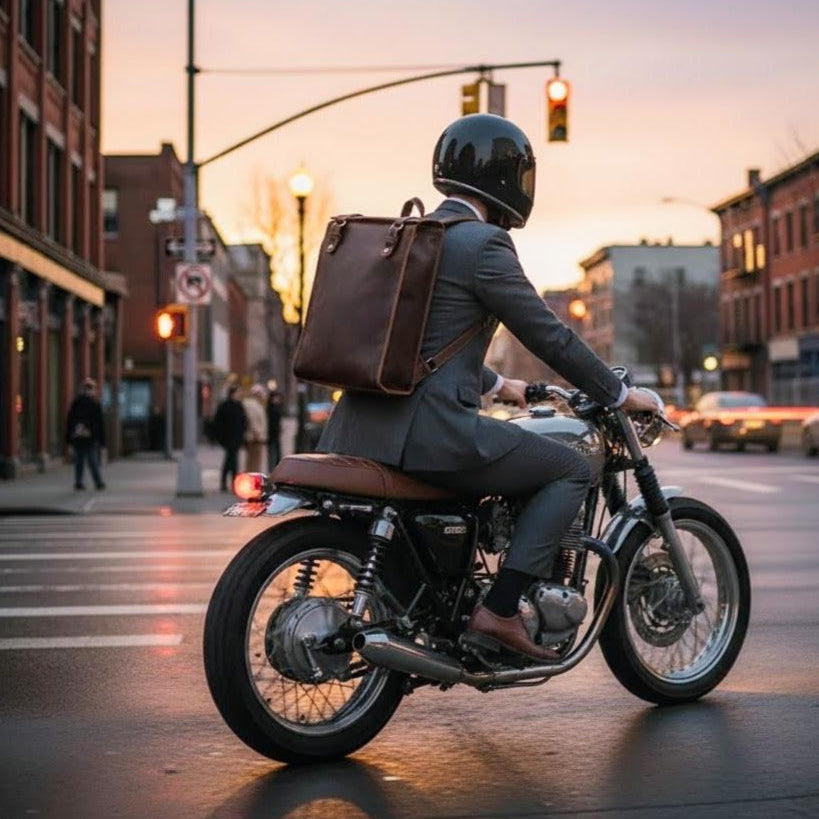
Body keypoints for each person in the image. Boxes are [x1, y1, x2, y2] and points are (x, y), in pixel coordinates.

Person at [318, 114, 659, 662]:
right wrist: (619, 395)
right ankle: (499, 611)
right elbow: (547, 333)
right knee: (571, 467)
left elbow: (408, 347)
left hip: (358, 428)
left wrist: (504, 385)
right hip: (431, 436)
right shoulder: (483, 244)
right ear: (508, 180)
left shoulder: (412, 238)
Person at [66, 377, 106, 490]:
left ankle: (79, 482)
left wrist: (69, 439)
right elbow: (100, 424)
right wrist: (103, 442)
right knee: (92, 461)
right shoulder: (95, 404)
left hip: (78, 436)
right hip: (90, 437)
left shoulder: (76, 403)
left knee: (80, 461)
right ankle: (98, 482)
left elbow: (70, 421)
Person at [212, 385, 247, 492]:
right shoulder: (224, 406)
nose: (240, 395)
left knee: (230, 460)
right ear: (232, 394)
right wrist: (220, 437)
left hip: (236, 437)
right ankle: (232, 483)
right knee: (232, 461)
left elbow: (243, 421)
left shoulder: (240, 406)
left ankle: (228, 483)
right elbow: (218, 423)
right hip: (228, 438)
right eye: (238, 392)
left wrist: (243, 433)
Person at [242, 384, 268, 473]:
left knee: (255, 461)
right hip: (254, 437)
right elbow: (252, 420)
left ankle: (253, 476)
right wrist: (258, 433)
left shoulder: (257, 405)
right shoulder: (252, 405)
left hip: (256, 437)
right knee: (254, 461)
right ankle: (252, 478)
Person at [266, 382, 283, 469]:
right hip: (271, 433)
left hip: (276, 433)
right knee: (273, 451)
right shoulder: (271, 409)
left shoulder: (276, 408)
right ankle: (272, 467)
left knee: (276, 451)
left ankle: (275, 466)